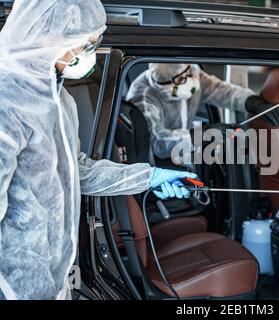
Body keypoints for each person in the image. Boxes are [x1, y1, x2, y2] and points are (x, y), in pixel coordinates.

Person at [0, 0, 196, 300]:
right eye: (87, 45)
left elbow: (75, 171)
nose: (90, 54)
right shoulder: (8, 102)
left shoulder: (58, 99)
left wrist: (149, 177)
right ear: (51, 36)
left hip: (52, 280)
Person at [126, 63, 279, 159]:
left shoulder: (191, 72)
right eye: (181, 80)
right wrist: (201, 135)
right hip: (155, 166)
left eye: (188, 73)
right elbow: (158, 143)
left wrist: (252, 102)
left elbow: (222, 91)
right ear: (165, 86)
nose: (190, 81)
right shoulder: (143, 94)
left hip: (184, 156)